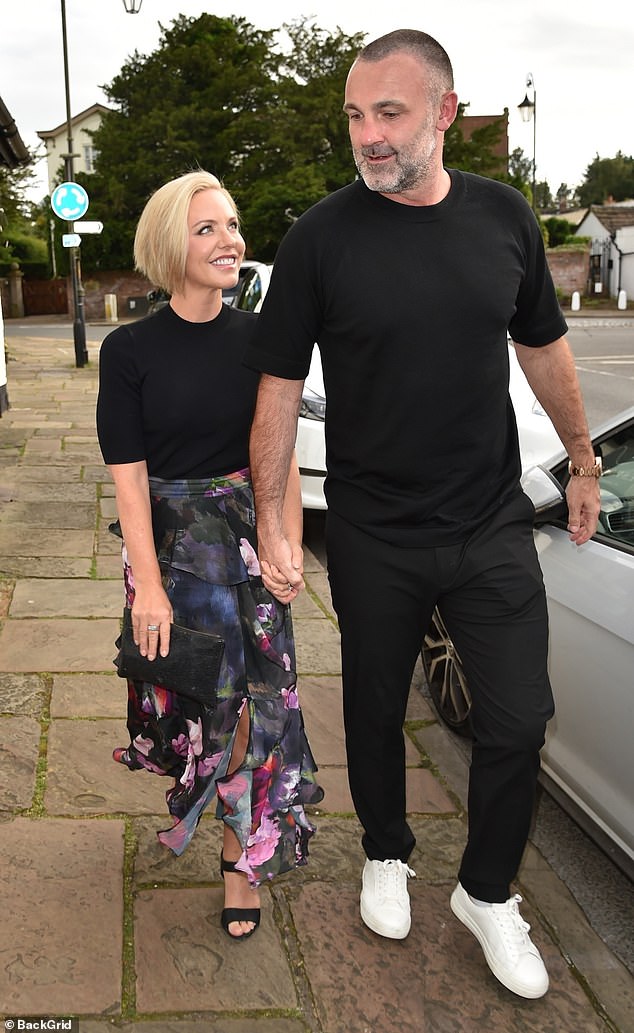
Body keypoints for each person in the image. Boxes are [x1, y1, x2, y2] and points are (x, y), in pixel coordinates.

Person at [244, 30, 601, 996]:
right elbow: (277, 388)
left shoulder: (505, 219)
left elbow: (543, 347)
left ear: (444, 111)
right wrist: (277, 524)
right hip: (373, 529)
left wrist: (580, 460)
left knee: (520, 721)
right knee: (371, 708)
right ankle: (387, 852)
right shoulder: (321, 237)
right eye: (355, 116)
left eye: (389, 113)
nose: (368, 135)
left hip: (489, 523)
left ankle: (487, 892)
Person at [96, 170, 323, 941]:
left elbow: (280, 459)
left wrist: (285, 540)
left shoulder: (263, 341)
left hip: (249, 546)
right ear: (170, 245)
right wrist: (148, 590)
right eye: (207, 229)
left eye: (231, 225)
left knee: (259, 711)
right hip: (172, 555)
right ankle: (209, 809)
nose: (230, 240)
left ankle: (239, 857)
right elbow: (129, 486)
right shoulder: (128, 351)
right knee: (200, 708)